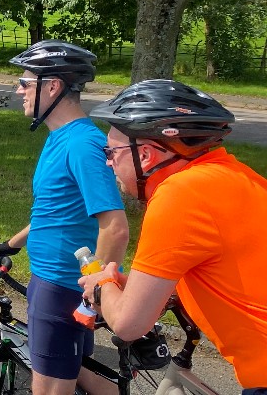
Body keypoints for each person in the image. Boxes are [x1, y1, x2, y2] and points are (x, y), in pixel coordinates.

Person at [81, 80, 267, 393]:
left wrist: (102, 284)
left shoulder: (178, 196)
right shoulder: (238, 177)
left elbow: (128, 323)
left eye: (111, 151)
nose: (107, 161)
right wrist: (153, 292)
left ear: (146, 156)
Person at [0, 40, 129, 395]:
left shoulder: (83, 144)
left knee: (49, 387)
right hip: (49, 281)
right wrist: (12, 244)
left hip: (63, 285)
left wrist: (97, 292)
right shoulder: (59, 138)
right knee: (72, 374)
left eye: (26, 82)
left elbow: (115, 227)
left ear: (52, 86)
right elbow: (54, 211)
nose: (19, 90)